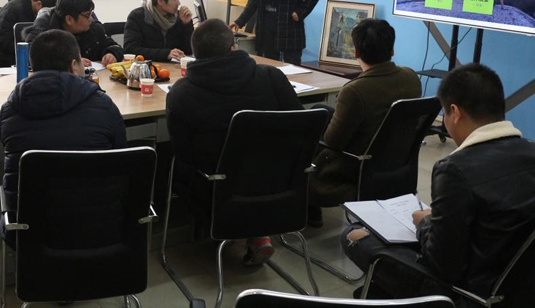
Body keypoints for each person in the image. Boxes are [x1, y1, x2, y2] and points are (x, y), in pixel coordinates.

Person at [342, 63, 535, 303]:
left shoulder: (455, 169)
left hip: (465, 293)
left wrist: (425, 223)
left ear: (454, 112)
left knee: (355, 235)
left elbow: (441, 265)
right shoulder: (530, 151)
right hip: (515, 288)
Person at [166, 18, 303, 265]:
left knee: (172, 161)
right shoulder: (272, 77)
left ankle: (222, 231)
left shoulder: (181, 93)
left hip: (216, 193)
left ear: (195, 54)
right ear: (233, 47)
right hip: (280, 185)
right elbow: (300, 128)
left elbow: (184, 154)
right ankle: (256, 232)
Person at [0, 29, 126, 245]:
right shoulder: (104, 106)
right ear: (74, 65)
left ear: (33, 65)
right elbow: (120, 154)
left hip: (31, 233)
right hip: (100, 225)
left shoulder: (10, 110)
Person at [308, 19, 420, 226]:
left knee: (311, 126)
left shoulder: (355, 91)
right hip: (396, 159)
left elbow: (333, 142)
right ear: (392, 50)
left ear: (356, 52)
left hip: (357, 165)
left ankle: (310, 207)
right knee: (321, 110)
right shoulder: (411, 78)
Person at [25, 0, 123, 66]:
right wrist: (69, 61)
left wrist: (112, 53)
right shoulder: (44, 28)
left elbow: (115, 46)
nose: (91, 19)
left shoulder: (93, 28)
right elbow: (30, 56)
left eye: (91, 14)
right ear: (69, 19)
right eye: (87, 15)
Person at [123, 0, 193, 62]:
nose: (178, 3)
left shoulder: (179, 17)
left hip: (173, 68)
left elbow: (189, 51)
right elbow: (130, 50)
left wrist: (186, 24)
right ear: (160, 1)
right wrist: (165, 54)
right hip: (148, 68)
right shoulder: (137, 17)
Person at [0, 0, 58, 67]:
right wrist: (27, 48)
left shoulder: (36, 11)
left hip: (31, 58)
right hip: (8, 59)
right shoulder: (11, 10)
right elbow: (3, 41)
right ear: (39, 4)